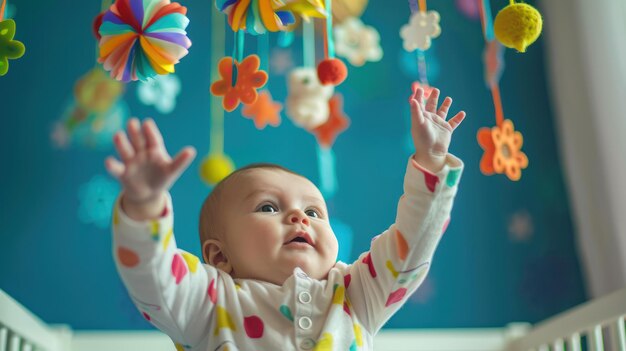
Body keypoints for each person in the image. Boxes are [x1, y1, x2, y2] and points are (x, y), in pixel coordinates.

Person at [105, 87, 466, 350]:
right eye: (268, 207)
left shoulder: (355, 294)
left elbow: (412, 246)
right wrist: (145, 205)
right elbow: (154, 275)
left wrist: (432, 163)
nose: (299, 216)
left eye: (313, 211)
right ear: (219, 257)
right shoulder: (209, 301)